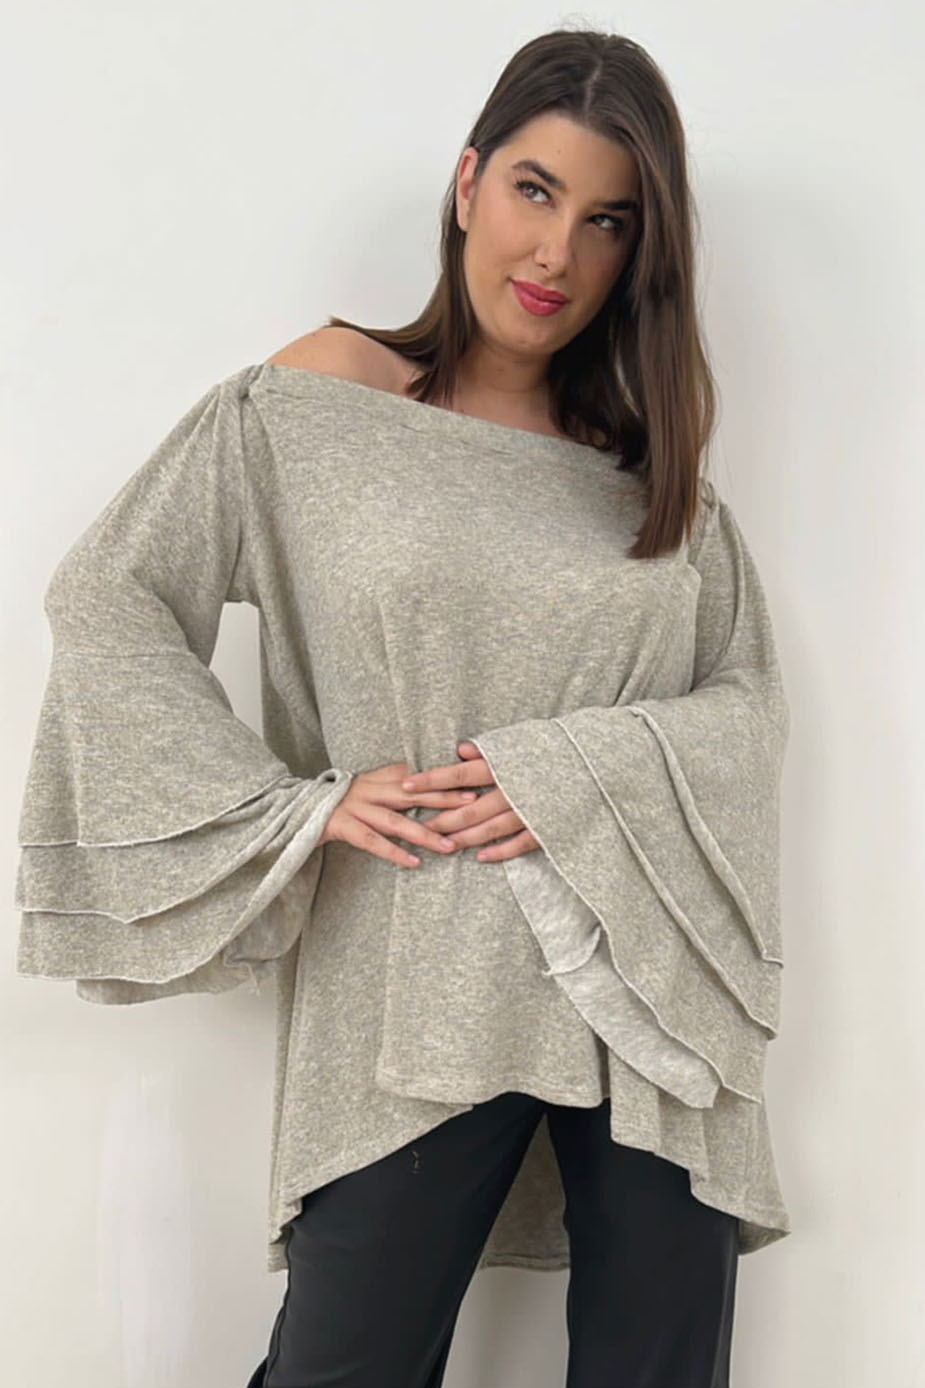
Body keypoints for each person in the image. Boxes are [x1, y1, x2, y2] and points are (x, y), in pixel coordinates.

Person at [14, 27, 791, 1388]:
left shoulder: (646, 478)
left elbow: (745, 703)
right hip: (414, 974)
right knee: (347, 1361)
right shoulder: (318, 400)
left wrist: (577, 772)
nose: (555, 253)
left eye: (607, 220)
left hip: (650, 993)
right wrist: (291, 810)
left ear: (640, 253)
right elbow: (112, 595)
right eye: (534, 190)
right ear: (468, 181)